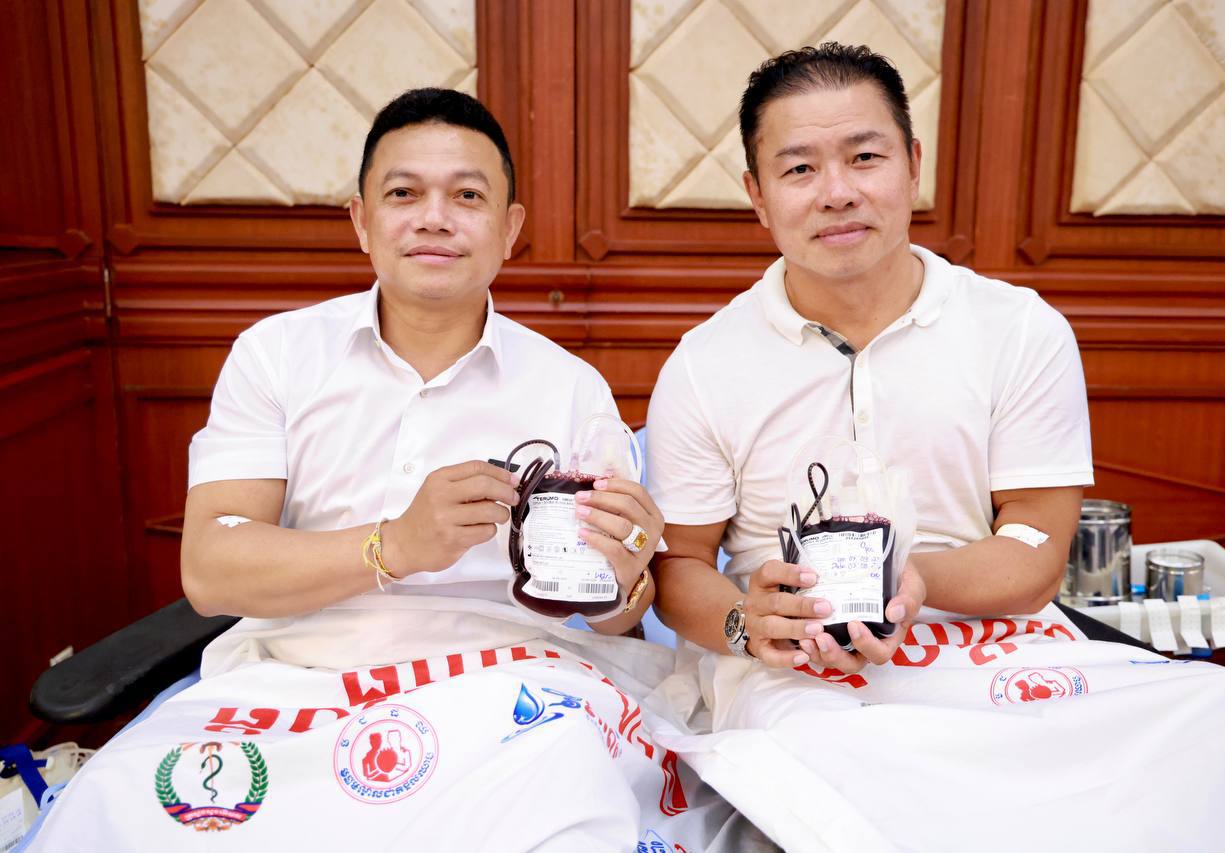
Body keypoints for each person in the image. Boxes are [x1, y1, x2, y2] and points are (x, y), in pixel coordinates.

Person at [25, 88, 735, 852]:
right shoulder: (277, 356)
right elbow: (211, 567)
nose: (434, 217)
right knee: (121, 802)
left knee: (558, 805)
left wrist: (625, 582)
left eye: (467, 196)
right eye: (403, 194)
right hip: (301, 680)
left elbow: (615, 615)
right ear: (361, 221)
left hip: (515, 689)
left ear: (509, 229)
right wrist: (394, 544)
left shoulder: (569, 388)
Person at [643, 43, 1225, 851]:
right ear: (757, 197)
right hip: (799, 672)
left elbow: (1037, 546)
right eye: (799, 168)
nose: (837, 192)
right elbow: (679, 565)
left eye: (865, 157)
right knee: (864, 776)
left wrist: (919, 580)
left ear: (913, 165)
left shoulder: (1017, 330)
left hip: (994, 644)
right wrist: (745, 620)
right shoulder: (706, 363)